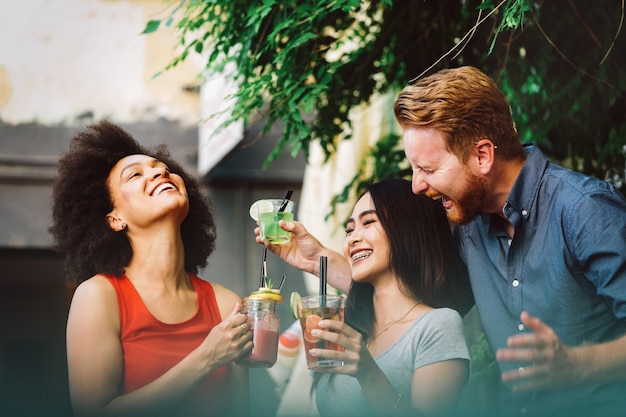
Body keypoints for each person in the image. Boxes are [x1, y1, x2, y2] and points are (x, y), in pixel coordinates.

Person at [262, 66, 626, 417]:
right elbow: (413, 295)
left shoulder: (583, 210)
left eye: (429, 169)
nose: (418, 186)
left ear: (482, 156)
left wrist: (576, 365)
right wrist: (318, 259)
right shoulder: (469, 227)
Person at [51, 120, 252, 417]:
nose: (160, 172)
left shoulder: (226, 304)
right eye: (135, 175)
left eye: (163, 168)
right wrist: (207, 357)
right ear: (114, 218)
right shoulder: (99, 296)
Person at [262, 179, 473, 416]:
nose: (352, 238)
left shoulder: (438, 326)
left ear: (409, 229)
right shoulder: (349, 324)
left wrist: (368, 373)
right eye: (349, 229)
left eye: (369, 222)